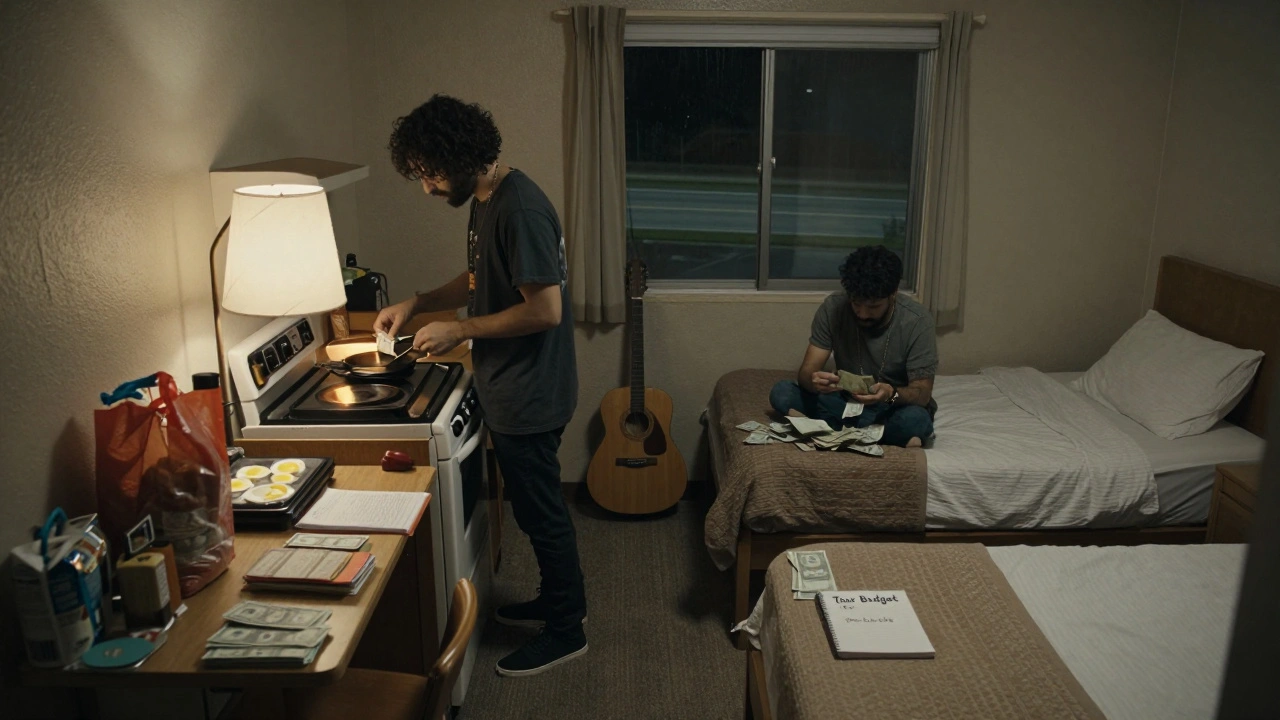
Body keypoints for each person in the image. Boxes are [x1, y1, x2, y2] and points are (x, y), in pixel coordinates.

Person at [375, 94, 587, 676]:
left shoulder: (520, 210)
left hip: (531, 389)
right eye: (420, 175)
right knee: (533, 509)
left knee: (542, 514)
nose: (427, 188)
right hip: (514, 383)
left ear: (465, 157)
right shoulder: (489, 198)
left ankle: (567, 629)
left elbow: (544, 309)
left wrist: (461, 331)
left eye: (432, 173)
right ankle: (557, 601)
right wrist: (418, 302)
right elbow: (479, 277)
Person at [770, 245, 937, 447]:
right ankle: (876, 433)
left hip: (891, 405)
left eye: (873, 307)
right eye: (856, 303)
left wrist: (890, 394)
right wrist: (814, 381)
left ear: (893, 294)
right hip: (845, 401)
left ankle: (832, 426)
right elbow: (806, 372)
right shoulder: (833, 308)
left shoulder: (917, 321)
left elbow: (922, 393)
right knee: (782, 392)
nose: (862, 314)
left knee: (915, 419)